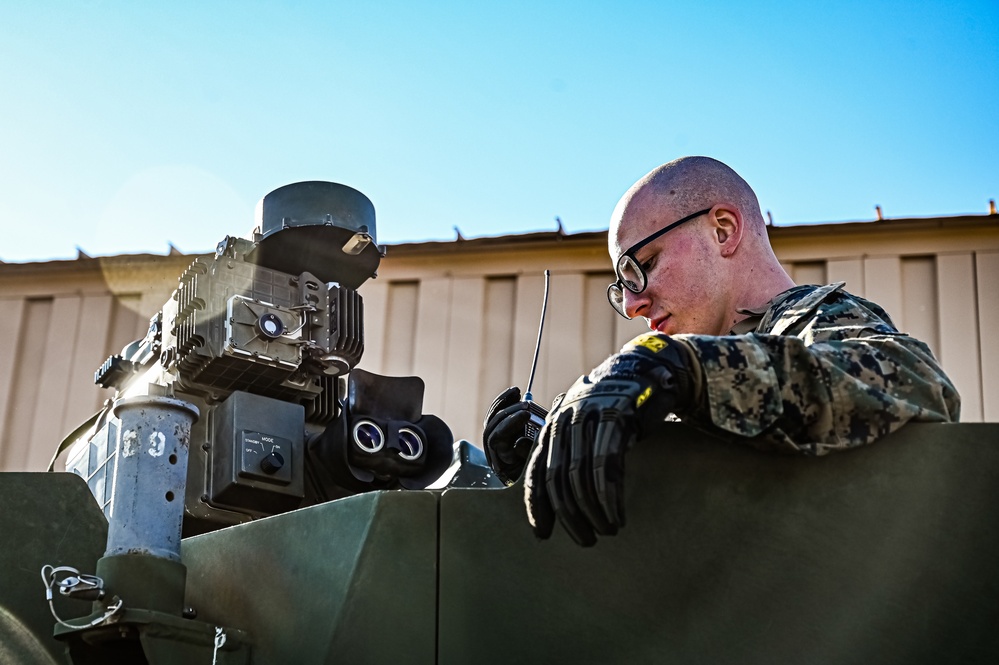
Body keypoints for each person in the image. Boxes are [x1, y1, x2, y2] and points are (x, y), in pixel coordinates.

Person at [483, 156, 960, 547]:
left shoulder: (815, 322)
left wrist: (684, 366)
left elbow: (917, 385)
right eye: (621, 285)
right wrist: (551, 465)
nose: (631, 305)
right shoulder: (678, 390)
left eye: (642, 265)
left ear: (725, 230)